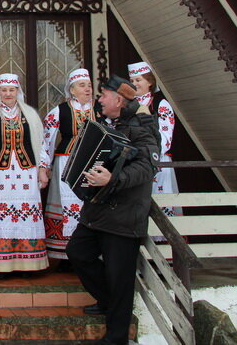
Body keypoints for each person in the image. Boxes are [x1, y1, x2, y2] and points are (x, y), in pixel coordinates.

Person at [66, 76, 159, 345]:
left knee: (120, 277)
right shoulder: (112, 124)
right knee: (78, 253)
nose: (99, 99)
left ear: (119, 100)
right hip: (98, 211)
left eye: (103, 95)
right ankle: (109, 301)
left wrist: (113, 179)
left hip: (124, 214)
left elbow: (147, 167)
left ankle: (116, 337)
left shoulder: (142, 126)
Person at [0, 73, 49, 274]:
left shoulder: (30, 115)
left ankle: (29, 263)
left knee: (26, 214)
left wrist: (43, 170)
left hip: (26, 172)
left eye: (11, 90)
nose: (8, 94)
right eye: (4, 90)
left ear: (18, 91)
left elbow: (42, 144)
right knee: (1, 216)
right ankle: (1, 263)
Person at [40, 68, 95, 262]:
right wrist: (43, 167)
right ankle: (65, 256)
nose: (87, 89)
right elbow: (46, 141)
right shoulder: (60, 111)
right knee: (67, 206)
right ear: (72, 90)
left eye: (89, 85)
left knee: (89, 207)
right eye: (82, 86)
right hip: (66, 163)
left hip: (93, 163)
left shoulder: (100, 110)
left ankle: (90, 253)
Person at [128, 61, 180, 219]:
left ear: (149, 82)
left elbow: (166, 137)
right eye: (132, 81)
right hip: (136, 161)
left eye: (139, 80)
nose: (134, 84)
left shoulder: (160, 104)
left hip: (157, 160)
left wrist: (151, 155)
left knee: (160, 204)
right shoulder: (129, 105)